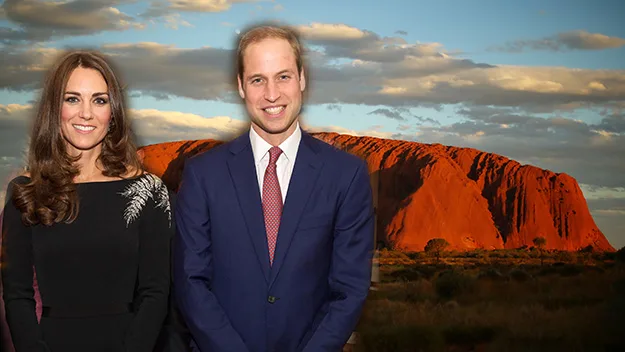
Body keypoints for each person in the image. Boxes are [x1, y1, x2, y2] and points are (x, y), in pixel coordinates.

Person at [174, 24, 374, 351]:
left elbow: (349, 288)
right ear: (240, 86)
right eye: (258, 80)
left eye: (283, 76)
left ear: (302, 78)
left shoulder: (345, 175)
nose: (271, 94)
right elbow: (190, 281)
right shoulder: (203, 174)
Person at [1, 50, 173, 352]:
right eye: (72, 99)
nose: (86, 113)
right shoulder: (25, 190)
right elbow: (17, 295)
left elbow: (156, 291)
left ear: (113, 111)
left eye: (99, 100)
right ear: (55, 109)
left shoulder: (149, 191)